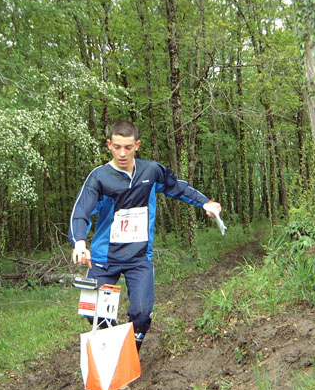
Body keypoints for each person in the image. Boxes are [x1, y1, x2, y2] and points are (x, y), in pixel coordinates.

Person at [69, 121, 221, 375]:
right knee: (94, 313)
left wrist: (206, 203)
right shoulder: (99, 177)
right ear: (109, 145)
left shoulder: (151, 171)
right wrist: (80, 242)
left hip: (139, 257)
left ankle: (127, 356)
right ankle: (112, 352)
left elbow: (178, 187)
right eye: (116, 147)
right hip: (105, 258)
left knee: (141, 314)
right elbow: (81, 211)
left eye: (128, 147)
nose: (122, 153)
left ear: (137, 146)